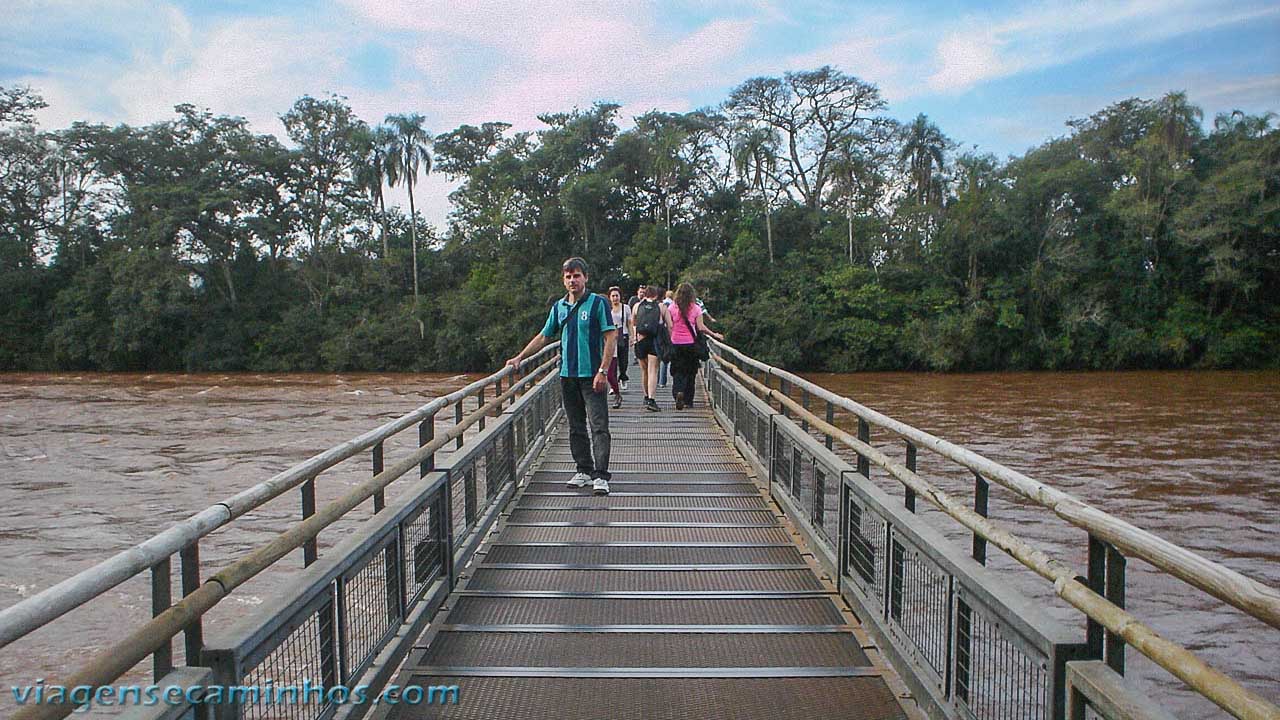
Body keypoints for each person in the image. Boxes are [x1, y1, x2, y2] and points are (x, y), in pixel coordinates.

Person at [506, 257, 616, 495]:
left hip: (592, 375)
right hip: (567, 375)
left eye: (576, 276)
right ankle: (583, 470)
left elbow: (610, 337)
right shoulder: (559, 307)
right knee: (576, 426)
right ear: (563, 279)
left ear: (585, 277)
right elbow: (544, 336)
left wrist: (603, 371)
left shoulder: (598, 304)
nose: (572, 280)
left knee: (598, 425)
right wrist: (520, 357)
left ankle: (601, 475)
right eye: (568, 276)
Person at [667, 281, 724, 410]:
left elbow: (669, 326)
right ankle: (688, 400)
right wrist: (714, 334)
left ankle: (678, 392)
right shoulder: (696, 308)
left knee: (677, 371)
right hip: (690, 345)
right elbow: (701, 327)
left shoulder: (672, 307)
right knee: (691, 373)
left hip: (676, 343)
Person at [631, 285, 671, 412]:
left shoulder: (637, 306)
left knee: (644, 371)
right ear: (656, 295)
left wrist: (634, 338)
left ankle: (645, 396)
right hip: (655, 340)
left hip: (640, 341)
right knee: (653, 370)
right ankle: (652, 399)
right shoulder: (661, 307)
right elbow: (670, 325)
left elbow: (633, 323)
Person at [608, 286, 631, 391]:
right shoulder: (608, 308)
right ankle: (613, 384)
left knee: (623, 359)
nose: (615, 298)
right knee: (612, 360)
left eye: (617, 295)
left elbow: (629, 322)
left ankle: (623, 376)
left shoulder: (625, 308)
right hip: (611, 336)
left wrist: (632, 336)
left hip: (623, 334)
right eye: (613, 296)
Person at [658, 289, 674, 388]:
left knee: (658, 356)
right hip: (668, 333)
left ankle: (658, 380)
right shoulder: (673, 305)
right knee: (666, 357)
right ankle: (663, 381)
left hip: (658, 332)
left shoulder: (661, 304)